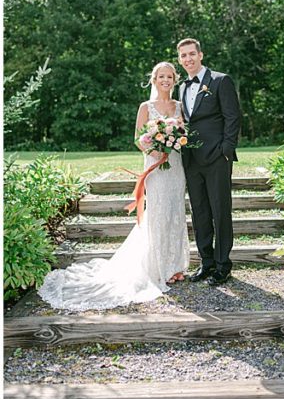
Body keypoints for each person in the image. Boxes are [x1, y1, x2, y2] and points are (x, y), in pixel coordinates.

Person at [37, 62, 189, 311]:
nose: (165, 80)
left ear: (175, 79)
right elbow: (138, 139)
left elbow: (183, 134)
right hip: (155, 167)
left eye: (169, 76)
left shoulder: (178, 106)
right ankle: (156, 268)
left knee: (174, 212)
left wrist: (172, 142)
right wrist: (156, 147)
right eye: (161, 76)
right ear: (154, 80)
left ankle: (173, 267)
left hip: (175, 167)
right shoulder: (145, 107)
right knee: (158, 212)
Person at [176, 38, 241, 285]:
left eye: (192, 54)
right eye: (183, 55)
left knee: (220, 211)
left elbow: (233, 117)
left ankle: (223, 266)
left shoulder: (220, 80)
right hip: (191, 159)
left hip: (217, 158)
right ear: (180, 59)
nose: (188, 59)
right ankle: (207, 263)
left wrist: (226, 150)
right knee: (200, 212)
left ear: (201, 55)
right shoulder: (182, 87)